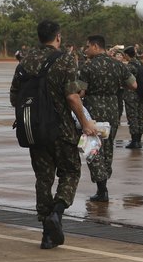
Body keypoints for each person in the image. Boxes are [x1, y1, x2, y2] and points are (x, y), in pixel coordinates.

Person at [10, 21, 95, 249]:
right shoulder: (65, 59)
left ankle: (47, 234)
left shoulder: (25, 60)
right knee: (70, 171)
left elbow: (14, 97)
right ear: (58, 37)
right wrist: (86, 123)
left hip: (35, 130)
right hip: (61, 130)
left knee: (43, 178)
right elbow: (72, 96)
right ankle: (57, 213)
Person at [81, 35, 137, 202]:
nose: (86, 50)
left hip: (93, 109)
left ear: (96, 46)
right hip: (113, 108)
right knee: (108, 145)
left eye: (88, 47)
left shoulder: (88, 67)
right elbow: (134, 85)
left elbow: (81, 92)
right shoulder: (118, 65)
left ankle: (101, 187)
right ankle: (104, 180)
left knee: (92, 145)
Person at [123, 47, 143, 149]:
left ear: (127, 55)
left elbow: (125, 80)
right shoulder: (140, 63)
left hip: (131, 94)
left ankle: (134, 141)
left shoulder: (129, 67)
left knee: (132, 117)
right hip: (141, 94)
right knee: (140, 116)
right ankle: (139, 139)